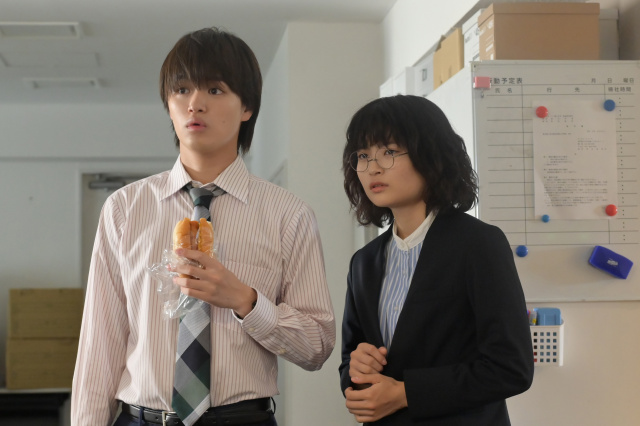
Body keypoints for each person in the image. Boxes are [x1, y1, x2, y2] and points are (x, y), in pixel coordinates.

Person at [72, 27, 335, 426]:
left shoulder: (289, 215)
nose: (194, 104)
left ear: (247, 107)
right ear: (169, 104)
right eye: (181, 90)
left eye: (214, 89)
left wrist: (246, 301)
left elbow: (316, 346)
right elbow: (99, 346)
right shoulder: (124, 209)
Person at [338, 95, 533, 425]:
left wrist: (406, 393)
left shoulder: (478, 244)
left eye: (389, 152)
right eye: (363, 155)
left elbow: (511, 367)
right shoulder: (363, 262)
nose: (373, 168)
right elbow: (349, 361)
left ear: (430, 155)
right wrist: (356, 368)